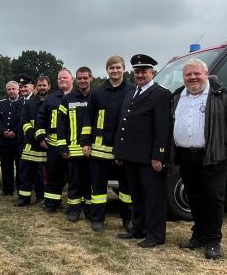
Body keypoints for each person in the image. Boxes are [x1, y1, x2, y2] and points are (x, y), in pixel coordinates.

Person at [172, 58, 227, 259]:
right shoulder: (178, 96)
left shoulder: (220, 95)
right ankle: (198, 235)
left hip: (213, 156)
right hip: (186, 156)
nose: (193, 78)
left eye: (197, 73)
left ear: (206, 74)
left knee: (213, 199)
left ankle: (213, 240)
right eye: (188, 74)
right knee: (194, 197)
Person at [113, 53, 173, 248]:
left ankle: (155, 234)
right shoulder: (131, 93)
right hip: (130, 156)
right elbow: (123, 123)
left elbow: (163, 128)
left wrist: (159, 155)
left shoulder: (161, 94)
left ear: (152, 73)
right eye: (137, 71)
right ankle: (138, 228)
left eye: (144, 71)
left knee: (153, 198)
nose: (140, 75)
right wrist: (119, 152)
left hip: (148, 158)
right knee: (136, 195)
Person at [86, 55, 134, 232]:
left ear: (124, 69)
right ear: (107, 70)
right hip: (99, 149)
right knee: (98, 187)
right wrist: (85, 142)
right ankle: (97, 218)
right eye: (111, 68)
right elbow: (87, 119)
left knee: (126, 188)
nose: (115, 71)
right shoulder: (97, 93)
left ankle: (128, 219)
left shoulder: (132, 90)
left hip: (123, 149)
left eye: (118, 67)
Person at [60, 67, 94, 223]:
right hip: (73, 150)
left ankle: (89, 210)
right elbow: (61, 125)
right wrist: (63, 147)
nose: (82, 81)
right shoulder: (67, 99)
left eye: (85, 78)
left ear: (91, 78)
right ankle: (74, 210)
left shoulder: (96, 97)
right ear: (75, 80)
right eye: (79, 78)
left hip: (92, 149)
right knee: (74, 182)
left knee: (90, 182)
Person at [39, 69, 73, 212]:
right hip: (53, 144)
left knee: (73, 177)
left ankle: (74, 206)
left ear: (72, 79)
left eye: (65, 77)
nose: (62, 80)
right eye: (59, 78)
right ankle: (52, 203)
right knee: (53, 175)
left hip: (73, 144)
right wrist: (41, 136)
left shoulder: (79, 97)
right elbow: (41, 118)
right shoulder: (51, 98)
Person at [15, 76, 47, 207]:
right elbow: (25, 122)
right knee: (26, 171)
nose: (42, 88)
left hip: (46, 144)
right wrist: (36, 136)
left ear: (49, 86)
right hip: (30, 143)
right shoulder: (29, 103)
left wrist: (44, 138)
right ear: (36, 87)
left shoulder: (52, 102)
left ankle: (41, 197)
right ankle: (24, 198)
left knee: (41, 174)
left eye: (44, 85)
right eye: (40, 85)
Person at [0, 80, 24, 196]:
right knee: (6, 166)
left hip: (17, 140)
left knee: (20, 166)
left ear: (18, 90)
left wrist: (14, 132)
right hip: (5, 140)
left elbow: (23, 120)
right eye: (9, 89)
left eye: (13, 89)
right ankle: (7, 189)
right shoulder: (2, 103)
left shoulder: (23, 103)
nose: (11, 91)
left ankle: (21, 189)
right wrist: (3, 131)